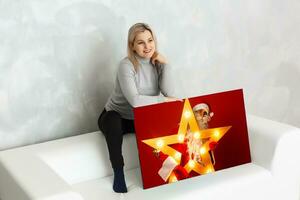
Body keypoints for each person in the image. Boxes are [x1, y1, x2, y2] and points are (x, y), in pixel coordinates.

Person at [97, 22, 180, 193]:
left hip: (140, 118)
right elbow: (135, 101)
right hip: (116, 117)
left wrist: (167, 65)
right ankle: (118, 175)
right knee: (113, 120)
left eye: (150, 40)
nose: (147, 46)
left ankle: (167, 171)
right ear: (132, 46)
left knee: (168, 118)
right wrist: (163, 100)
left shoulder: (156, 63)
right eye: (141, 42)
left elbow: (169, 92)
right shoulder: (126, 66)